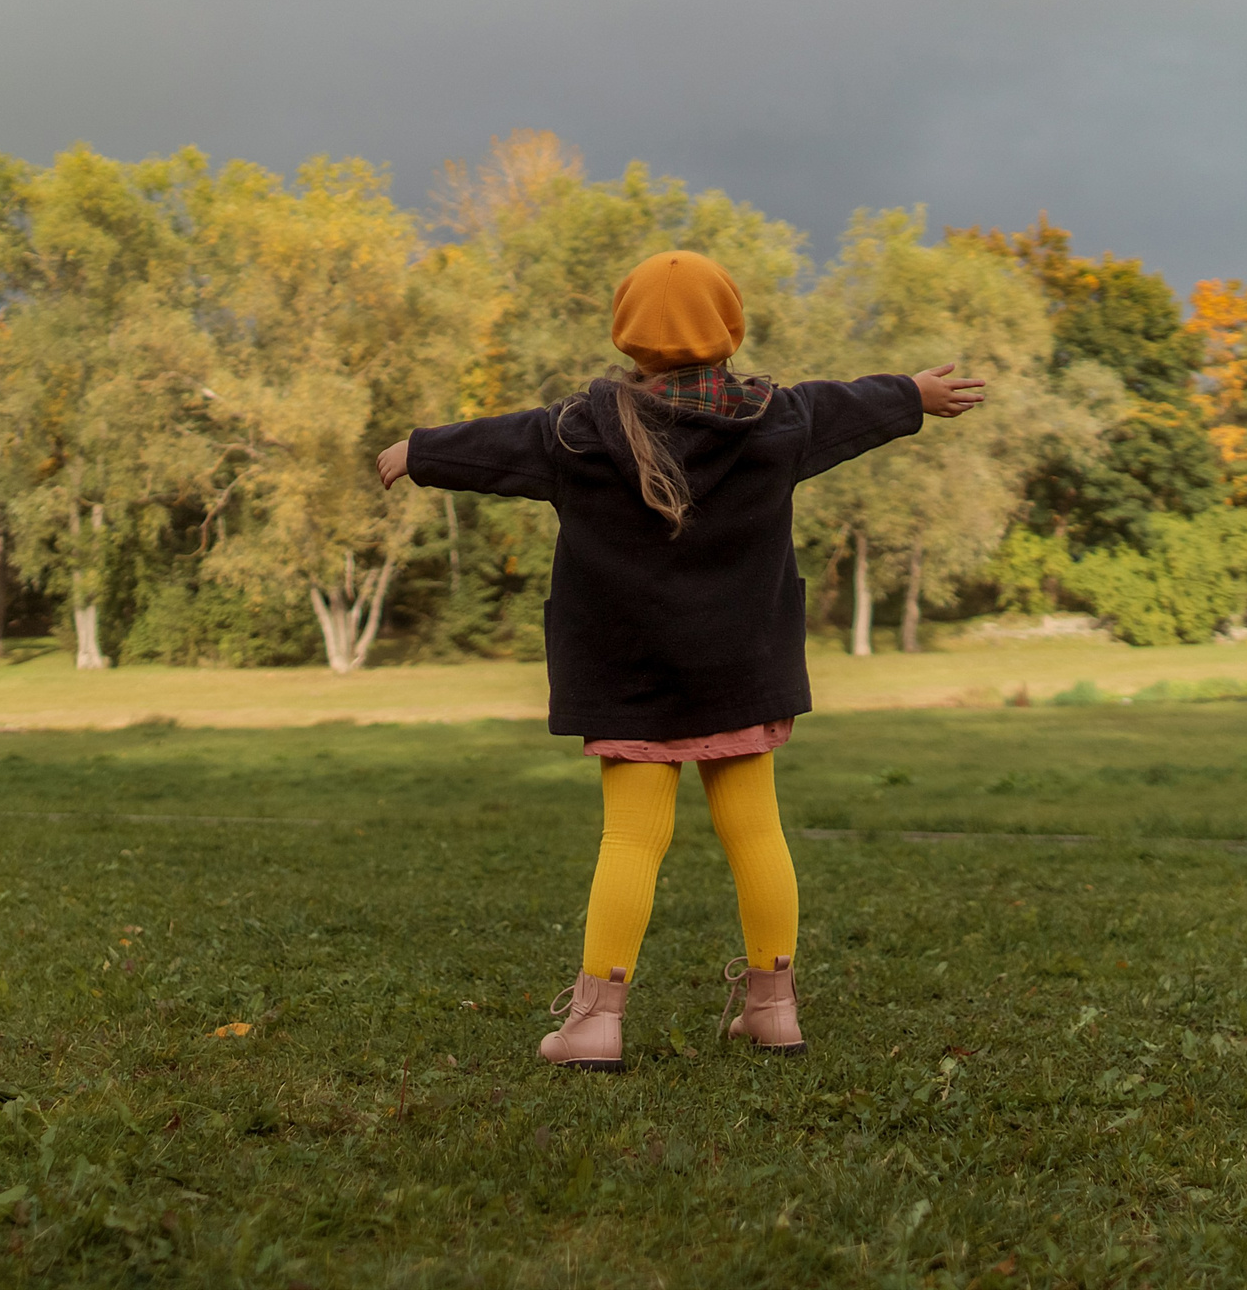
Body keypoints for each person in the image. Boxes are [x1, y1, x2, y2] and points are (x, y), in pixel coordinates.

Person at [377, 248, 984, 1071]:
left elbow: (492, 443)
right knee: (757, 832)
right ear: (731, 328)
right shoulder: (779, 421)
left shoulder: (574, 432)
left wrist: (417, 450)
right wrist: (913, 393)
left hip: (630, 677)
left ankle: (595, 1023)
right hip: (742, 670)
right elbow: (850, 404)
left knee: (632, 840)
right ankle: (773, 1011)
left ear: (626, 334)